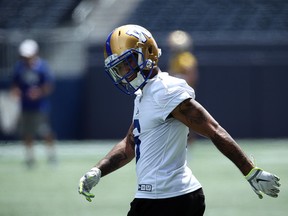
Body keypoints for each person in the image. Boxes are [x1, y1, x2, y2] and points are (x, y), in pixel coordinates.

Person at [78, 25, 280, 216]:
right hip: (164, 198)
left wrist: (249, 171)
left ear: (147, 53)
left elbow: (213, 129)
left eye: (126, 63)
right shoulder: (145, 94)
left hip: (167, 200)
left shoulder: (165, 91)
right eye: (119, 67)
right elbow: (130, 144)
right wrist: (98, 170)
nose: (123, 72)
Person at [11, 39, 56, 168]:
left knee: (45, 132)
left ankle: (51, 156)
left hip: (39, 107)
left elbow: (48, 86)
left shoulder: (42, 67)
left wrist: (39, 92)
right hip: (25, 106)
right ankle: (30, 158)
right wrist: (17, 92)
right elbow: (15, 86)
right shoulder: (19, 67)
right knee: (27, 133)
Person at [167, 30, 199, 143]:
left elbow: (191, 76)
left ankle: (189, 145)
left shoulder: (186, 58)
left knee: (188, 121)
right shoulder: (175, 58)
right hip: (174, 94)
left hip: (184, 95)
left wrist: (176, 78)